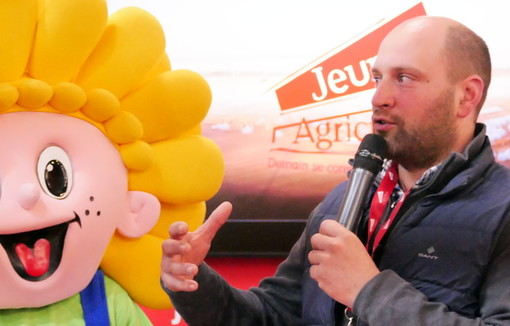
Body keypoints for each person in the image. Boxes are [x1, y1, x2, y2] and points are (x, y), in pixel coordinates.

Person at [161, 15, 510, 325]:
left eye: (404, 78)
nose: (379, 97)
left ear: (466, 96)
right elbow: (271, 314)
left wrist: (367, 290)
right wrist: (193, 284)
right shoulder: (343, 201)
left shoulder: (503, 209)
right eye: (377, 78)